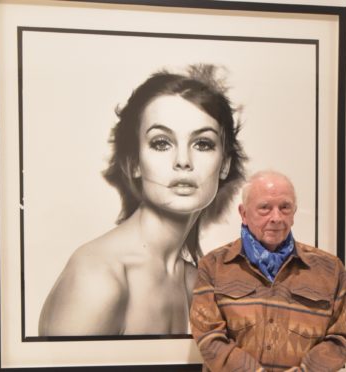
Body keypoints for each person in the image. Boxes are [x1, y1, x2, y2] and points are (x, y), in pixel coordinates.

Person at [38, 64, 246, 336]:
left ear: (224, 165)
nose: (183, 161)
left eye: (202, 144)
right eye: (161, 143)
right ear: (135, 162)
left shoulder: (194, 282)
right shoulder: (99, 277)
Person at [190, 170, 346, 371]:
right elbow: (209, 337)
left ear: (294, 213)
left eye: (285, 207)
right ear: (244, 214)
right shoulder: (213, 266)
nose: (276, 217)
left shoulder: (331, 270)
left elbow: (343, 339)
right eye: (264, 208)